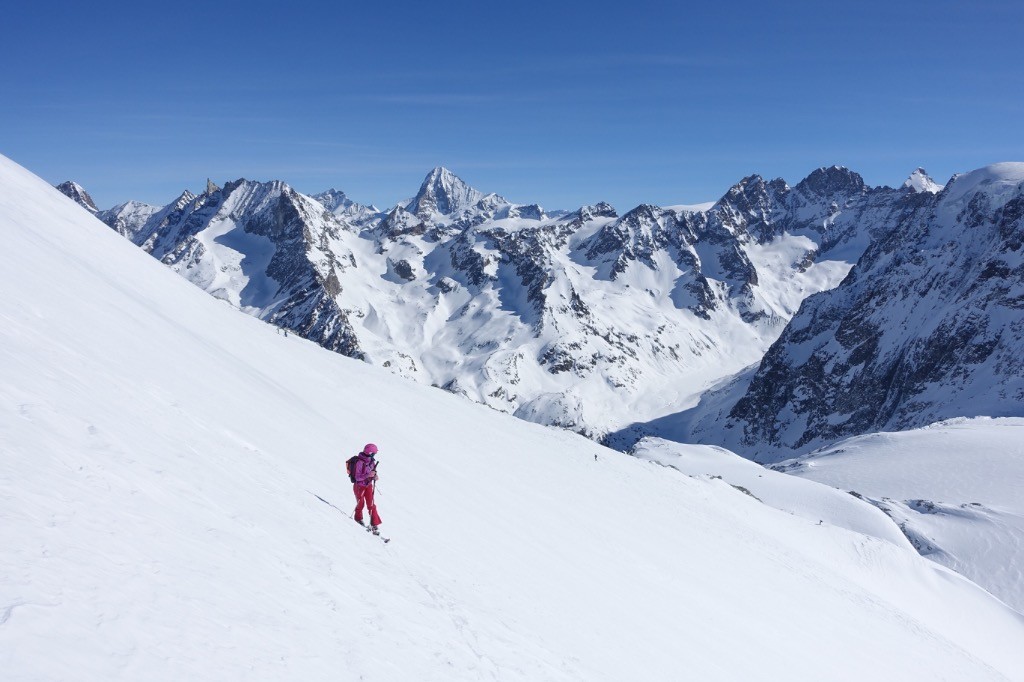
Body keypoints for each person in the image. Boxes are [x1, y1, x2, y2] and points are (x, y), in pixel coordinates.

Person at [352, 443, 382, 532]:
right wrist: (368, 475)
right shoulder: (359, 462)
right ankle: (358, 519)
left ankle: (374, 524)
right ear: (369, 453)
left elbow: (372, 472)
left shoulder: (371, 462)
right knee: (360, 504)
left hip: (368, 485)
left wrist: (374, 476)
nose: (374, 455)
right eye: (374, 453)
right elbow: (357, 477)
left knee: (371, 504)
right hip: (359, 486)